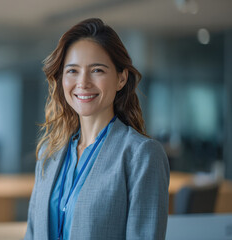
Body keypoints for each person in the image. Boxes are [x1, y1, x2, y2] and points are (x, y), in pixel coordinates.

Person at [25, 18, 169, 240]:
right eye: (72, 71)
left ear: (121, 79)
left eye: (97, 70)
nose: (83, 83)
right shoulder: (48, 153)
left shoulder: (141, 155)